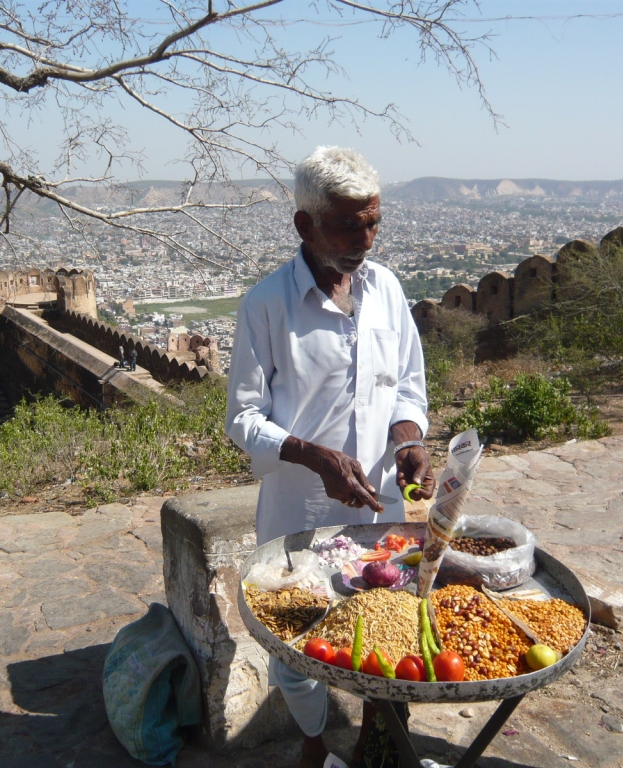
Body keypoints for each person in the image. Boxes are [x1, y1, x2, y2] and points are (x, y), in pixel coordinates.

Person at [225, 146, 436, 768]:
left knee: (385, 625)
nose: (365, 239)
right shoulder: (266, 306)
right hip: (300, 507)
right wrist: (313, 455)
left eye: (374, 222)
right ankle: (315, 744)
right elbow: (242, 418)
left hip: (382, 510)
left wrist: (408, 440)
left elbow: (406, 383)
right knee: (299, 643)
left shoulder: (387, 290)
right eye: (349, 225)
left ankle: (378, 739)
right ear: (305, 226)